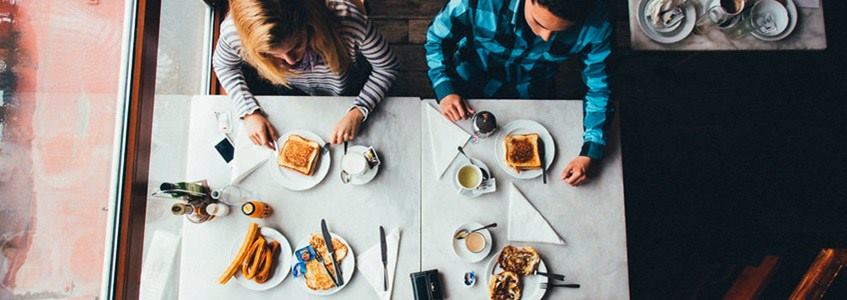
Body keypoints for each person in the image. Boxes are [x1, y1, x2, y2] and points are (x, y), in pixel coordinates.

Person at [425, 0, 612, 186]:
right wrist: (445, 89)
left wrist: (590, 151)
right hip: (468, 80)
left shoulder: (598, 24)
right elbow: (437, 39)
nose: (545, 37)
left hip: (534, 90)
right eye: (539, 23)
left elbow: (600, 87)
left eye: (559, 32)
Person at [214, 0, 400, 148]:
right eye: (271, 55)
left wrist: (359, 110)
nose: (290, 61)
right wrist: (248, 112)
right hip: (289, 90)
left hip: (346, 85)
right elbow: (223, 65)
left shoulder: (348, 21)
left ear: (310, 24)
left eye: (296, 46)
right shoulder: (234, 33)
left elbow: (387, 67)